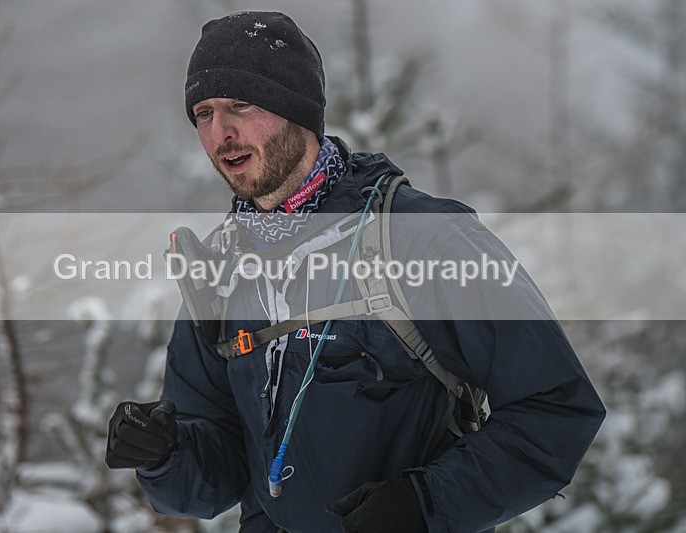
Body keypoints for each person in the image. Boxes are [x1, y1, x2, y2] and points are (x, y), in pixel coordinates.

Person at [105, 11, 605, 533]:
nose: (220, 133)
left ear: (295, 108)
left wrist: (424, 503)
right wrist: (165, 453)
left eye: (241, 105)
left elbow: (556, 410)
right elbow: (215, 479)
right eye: (203, 113)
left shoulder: (424, 238)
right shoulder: (219, 272)